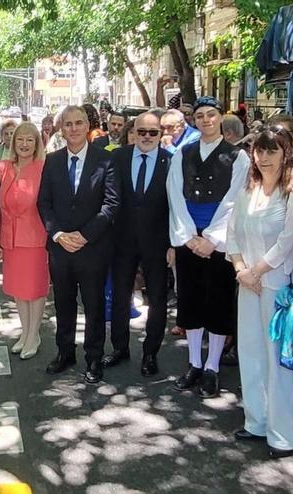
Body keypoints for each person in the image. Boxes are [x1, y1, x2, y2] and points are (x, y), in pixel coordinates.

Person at [226, 127, 293, 458]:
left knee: (278, 361)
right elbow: (233, 232)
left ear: (286, 152)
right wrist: (240, 271)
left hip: (276, 284)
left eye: (271, 151)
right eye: (259, 151)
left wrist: (256, 271)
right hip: (247, 282)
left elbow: (289, 240)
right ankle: (256, 421)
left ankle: (283, 435)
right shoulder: (250, 188)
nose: (263, 157)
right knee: (250, 353)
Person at [167, 96, 250, 398]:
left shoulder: (238, 157)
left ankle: (212, 366)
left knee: (216, 301)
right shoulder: (182, 153)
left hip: (219, 239)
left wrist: (212, 238)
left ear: (220, 118)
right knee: (190, 301)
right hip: (189, 236)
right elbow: (175, 194)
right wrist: (189, 235)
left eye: (211, 114)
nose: (205, 120)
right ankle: (194, 363)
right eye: (200, 115)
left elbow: (235, 200)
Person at [37, 105, 118, 383]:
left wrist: (85, 236)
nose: (73, 129)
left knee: (94, 305)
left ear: (87, 125)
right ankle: (65, 352)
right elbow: (44, 203)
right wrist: (58, 235)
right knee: (63, 303)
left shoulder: (105, 160)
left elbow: (111, 204)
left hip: (92, 247)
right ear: (62, 128)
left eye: (78, 123)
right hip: (61, 248)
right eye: (68, 124)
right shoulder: (52, 160)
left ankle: (94, 357)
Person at [107, 112, 172, 378]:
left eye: (152, 133)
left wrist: (173, 244)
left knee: (157, 300)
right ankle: (120, 348)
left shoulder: (171, 162)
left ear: (160, 134)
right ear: (133, 132)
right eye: (141, 131)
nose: (146, 137)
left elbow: (175, 207)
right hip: (121, 241)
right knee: (120, 298)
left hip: (158, 243)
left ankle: (150, 354)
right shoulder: (119, 157)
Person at [0, 122, 48, 359]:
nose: (25, 144)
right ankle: (25, 331)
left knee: (35, 290)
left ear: (37, 143)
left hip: (36, 237)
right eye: (20, 139)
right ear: (13, 142)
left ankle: (34, 335)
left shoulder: (44, 168)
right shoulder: (3, 167)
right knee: (18, 289)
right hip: (10, 238)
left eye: (30, 140)